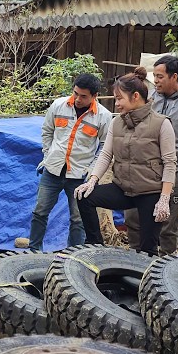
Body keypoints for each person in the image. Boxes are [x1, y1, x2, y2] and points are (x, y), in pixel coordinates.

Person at [74, 67, 176, 256]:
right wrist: (92, 180)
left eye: (119, 98)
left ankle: (148, 277)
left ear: (135, 96)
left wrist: (164, 198)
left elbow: (170, 163)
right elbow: (106, 154)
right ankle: (95, 247)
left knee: (148, 250)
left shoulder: (162, 123)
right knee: (84, 197)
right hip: (123, 188)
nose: (117, 104)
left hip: (150, 192)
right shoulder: (117, 122)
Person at [122, 54, 178, 255]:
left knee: (168, 224)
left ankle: (166, 266)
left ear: (174, 77)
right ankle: (135, 260)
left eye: (160, 76)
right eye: (155, 76)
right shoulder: (150, 101)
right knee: (134, 217)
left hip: (174, 171)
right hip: (145, 171)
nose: (156, 81)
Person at [26, 72, 113, 251]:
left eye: (83, 96)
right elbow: (47, 131)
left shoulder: (104, 116)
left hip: (80, 175)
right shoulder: (58, 105)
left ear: (94, 96)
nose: (77, 99)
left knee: (78, 218)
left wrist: (92, 170)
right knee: (40, 211)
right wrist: (47, 155)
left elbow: (105, 147)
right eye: (75, 93)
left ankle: (71, 255)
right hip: (53, 170)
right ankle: (34, 251)